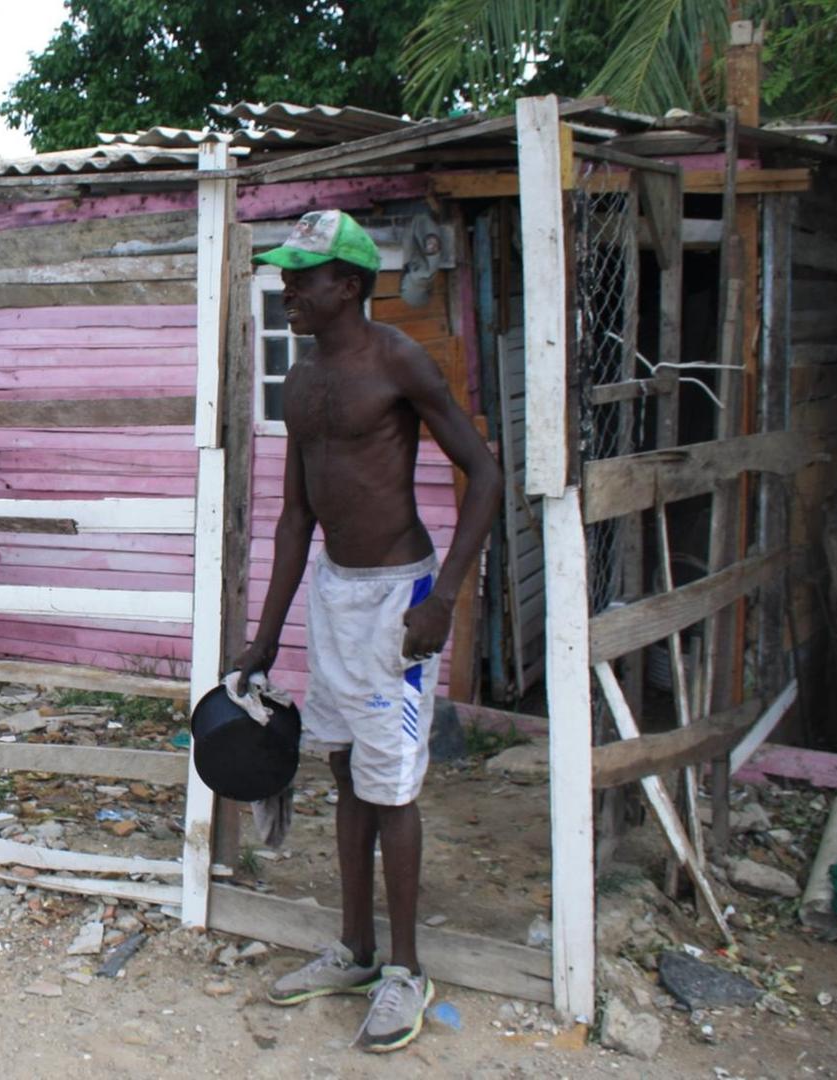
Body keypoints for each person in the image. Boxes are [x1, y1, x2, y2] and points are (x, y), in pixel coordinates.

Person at [230, 210, 501, 1053]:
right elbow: (295, 514)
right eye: (285, 276)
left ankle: (406, 971)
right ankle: (353, 948)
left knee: (392, 783)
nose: (287, 292)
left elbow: (488, 473)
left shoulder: (398, 361)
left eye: (302, 278)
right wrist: (268, 632)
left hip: (399, 598)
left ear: (348, 284)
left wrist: (445, 596)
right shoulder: (304, 380)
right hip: (336, 594)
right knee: (346, 767)